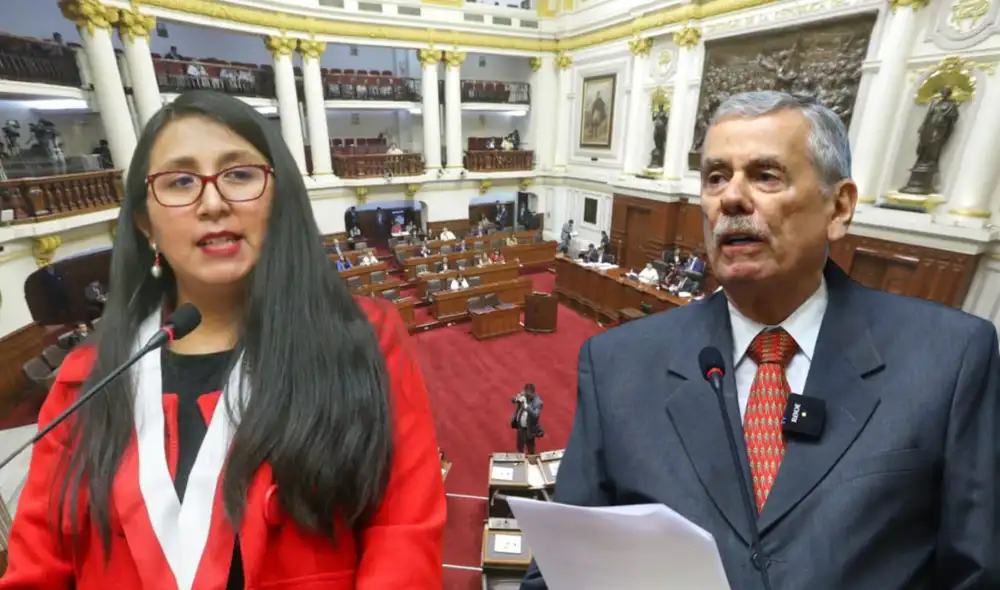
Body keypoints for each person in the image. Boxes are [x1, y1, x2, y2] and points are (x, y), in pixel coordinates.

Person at [520, 91, 1000, 589]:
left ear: (839, 207)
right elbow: (563, 568)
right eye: (716, 177)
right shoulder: (617, 363)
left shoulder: (951, 359)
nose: (731, 197)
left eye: (766, 175)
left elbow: (977, 573)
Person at [1, 91, 445, 589]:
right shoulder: (88, 380)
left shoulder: (362, 338)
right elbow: (38, 569)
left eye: (239, 175)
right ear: (146, 223)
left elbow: (403, 532)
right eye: (180, 181)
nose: (213, 203)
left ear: (278, 199)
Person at [510, 384, 542, 455]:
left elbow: (535, 415)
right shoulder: (524, 395)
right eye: (525, 392)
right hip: (520, 428)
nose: (525, 395)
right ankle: (519, 462)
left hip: (529, 429)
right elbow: (512, 400)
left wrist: (526, 406)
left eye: (527, 394)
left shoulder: (538, 402)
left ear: (532, 393)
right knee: (519, 449)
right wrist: (517, 398)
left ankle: (531, 462)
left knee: (530, 450)